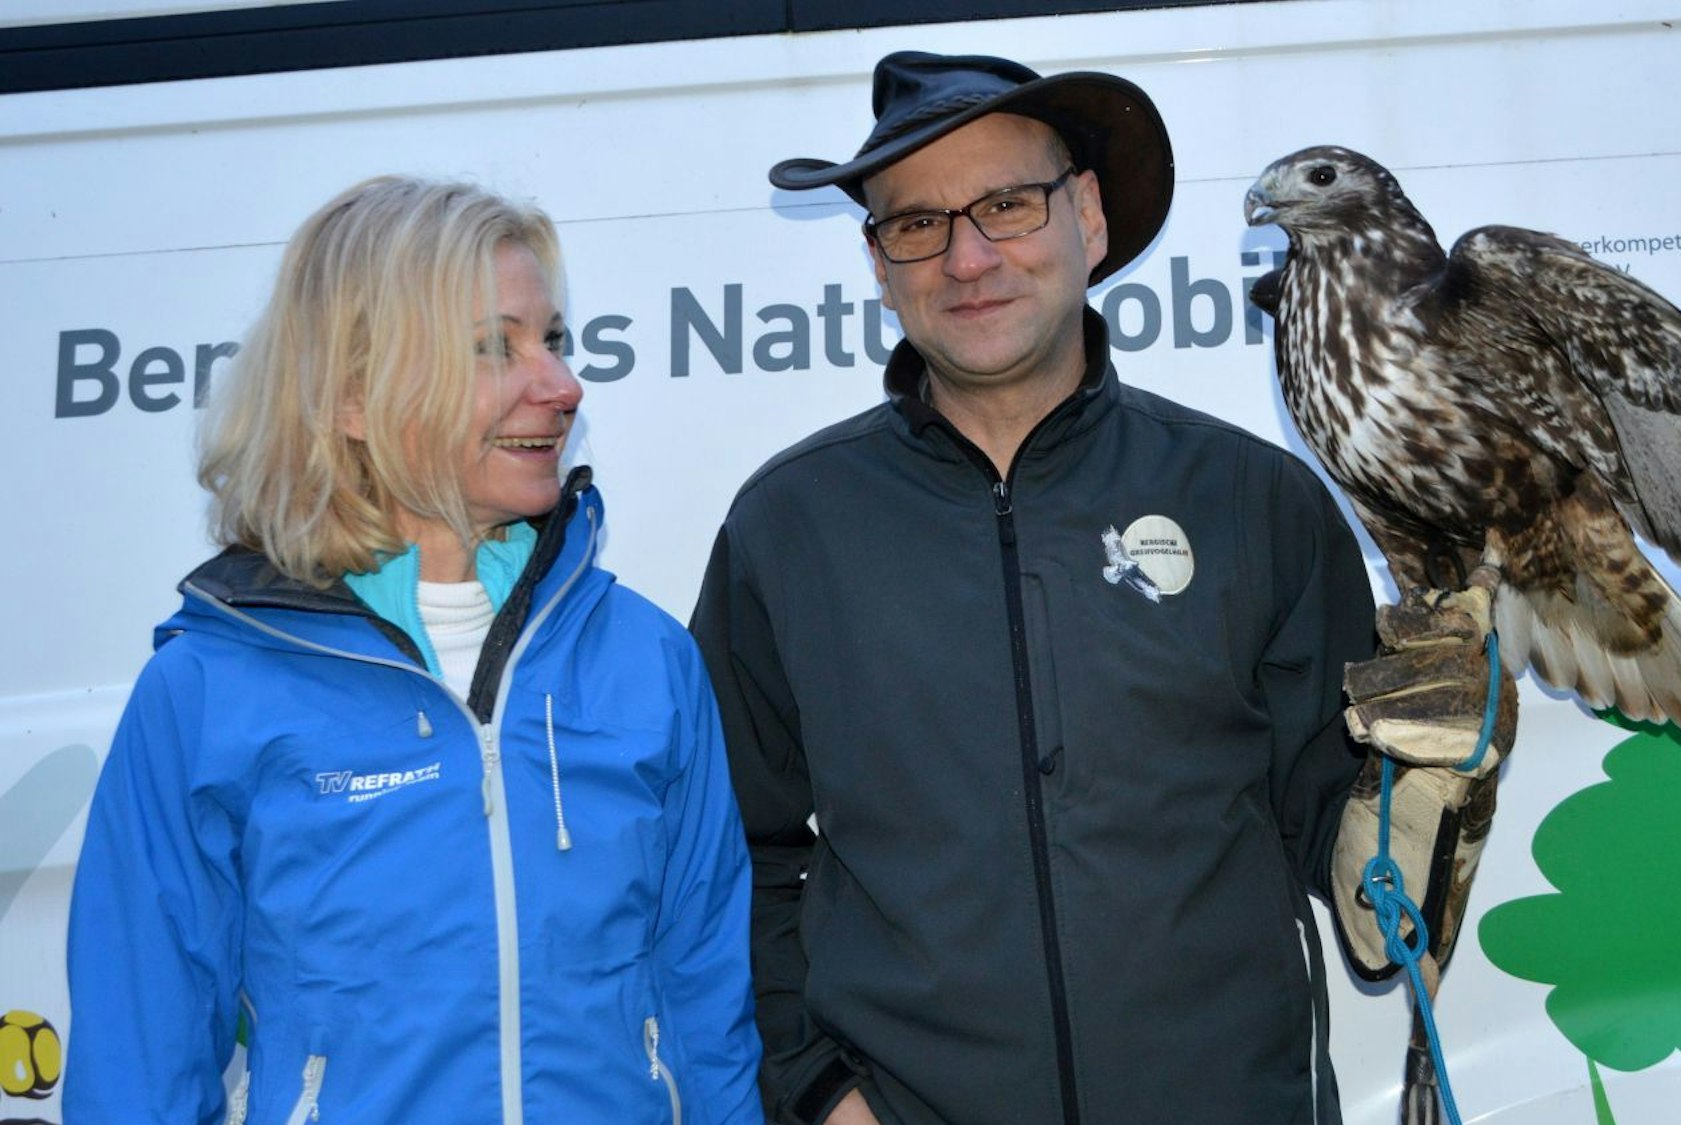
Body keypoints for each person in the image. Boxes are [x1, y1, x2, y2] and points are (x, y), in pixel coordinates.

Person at [692, 52, 1382, 1125]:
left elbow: (1346, 837)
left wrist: (1434, 784)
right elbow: (730, 853)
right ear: (877, 262)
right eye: (915, 224)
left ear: (1088, 219)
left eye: (1007, 204)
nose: (966, 257)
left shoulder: (1255, 500)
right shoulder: (789, 526)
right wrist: (817, 1087)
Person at [64, 175, 762, 1124]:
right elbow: (137, 1071)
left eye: (551, 338)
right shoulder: (207, 687)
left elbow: (708, 1018)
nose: (562, 385)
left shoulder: (646, 660)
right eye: (493, 347)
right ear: (352, 397)